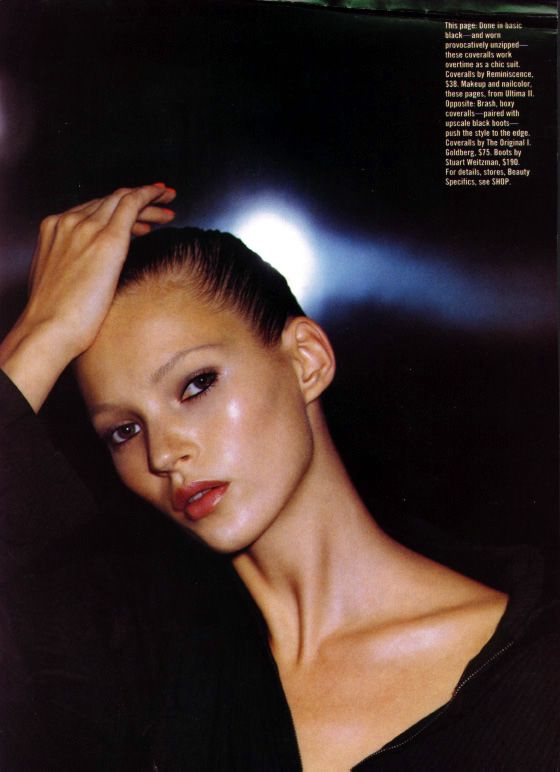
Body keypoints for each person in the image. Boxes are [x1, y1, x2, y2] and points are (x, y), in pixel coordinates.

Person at [0, 184, 558, 771]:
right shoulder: (137, 677)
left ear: (306, 360)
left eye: (197, 384)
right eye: (124, 431)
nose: (163, 454)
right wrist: (40, 334)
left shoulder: (535, 676)